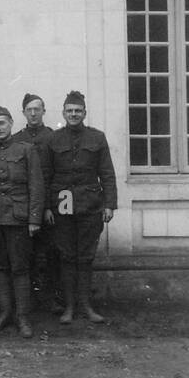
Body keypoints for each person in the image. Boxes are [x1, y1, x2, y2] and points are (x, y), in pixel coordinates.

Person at [46, 90, 117, 325]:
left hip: (89, 205)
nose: (74, 114)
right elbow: (47, 175)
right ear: (63, 113)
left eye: (78, 111)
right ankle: (69, 307)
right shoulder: (54, 139)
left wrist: (109, 204)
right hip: (63, 205)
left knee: (85, 257)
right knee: (66, 256)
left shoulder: (97, 138)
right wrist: (47, 207)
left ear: (84, 113)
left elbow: (106, 173)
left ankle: (86, 306)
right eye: (70, 111)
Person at [0, 105, 45, 337]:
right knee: (0, 267)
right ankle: (5, 313)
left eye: (1, 123)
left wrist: (34, 219)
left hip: (18, 219)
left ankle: (23, 317)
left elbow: (36, 186)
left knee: (20, 269)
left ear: (11, 123)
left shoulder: (26, 150)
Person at [12, 92, 60, 311]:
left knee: (49, 253)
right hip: (22, 206)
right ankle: (28, 300)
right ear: (23, 113)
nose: (33, 113)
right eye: (29, 110)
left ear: (43, 111)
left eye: (37, 109)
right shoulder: (16, 139)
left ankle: (51, 299)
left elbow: (53, 175)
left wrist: (48, 206)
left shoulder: (52, 138)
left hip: (46, 207)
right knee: (25, 254)